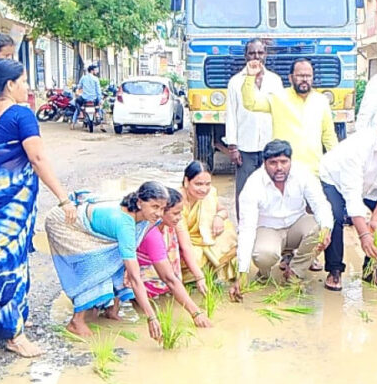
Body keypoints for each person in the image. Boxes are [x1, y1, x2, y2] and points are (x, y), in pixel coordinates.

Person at [0, 59, 74, 357]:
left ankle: (0, 325)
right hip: (7, 197)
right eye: (24, 81)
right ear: (9, 85)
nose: (27, 87)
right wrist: (63, 198)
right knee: (12, 262)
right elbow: (38, 159)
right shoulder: (20, 114)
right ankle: (13, 333)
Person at [45, 183, 168, 342]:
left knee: (116, 257)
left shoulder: (143, 217)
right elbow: (135, 278)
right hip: (65, 223)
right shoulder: (124, 224)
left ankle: (110, 310)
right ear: (139, 202)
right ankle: (76, 321)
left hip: (88, 223)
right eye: (155, 206)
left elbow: (133, 248)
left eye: (162, 208)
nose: (159, 213)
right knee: (98, 265)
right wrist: (151, 317)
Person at [319, 106, 377, 291]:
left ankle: (373, 270)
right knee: (335, 215)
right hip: (334, 179)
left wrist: (374, 220)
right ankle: (335, 270)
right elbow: (352, 195)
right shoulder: (359, 147)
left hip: (370, 186)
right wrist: (364, 234)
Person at [237, 140, 333, 282]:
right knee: (264, 255)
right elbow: (246, 228)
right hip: (268, 228)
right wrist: (242, 272)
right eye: (273, 163)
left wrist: (326, 229)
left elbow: (320, 204)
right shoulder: (253, 184)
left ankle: (295, 271)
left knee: (320, 227)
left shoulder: (303, 174)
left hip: (296, 224)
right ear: (264, 163)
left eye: (284, 162)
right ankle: (264, 273)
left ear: (290, 161)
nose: (279, 167)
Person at [241, 58, 337, 175]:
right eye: (300, 76)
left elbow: (329, 136)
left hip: (314, 171)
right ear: (291, 78)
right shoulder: (278, 97)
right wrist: (250, 77)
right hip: (285, 171)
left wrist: (338, 162)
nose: (305, 79)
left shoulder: (321, 101)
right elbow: (251, 104)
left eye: (308, 76)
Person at [137, 188, 214, 327]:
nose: (179, 217)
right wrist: (196, 313)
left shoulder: (169, 224)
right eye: (175, 213)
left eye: (180, 213)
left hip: (158, 278)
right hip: (141, 285)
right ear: (161, 212)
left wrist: (200, 277)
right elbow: (169, 279)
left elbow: (186, 246)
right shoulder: (152, 235)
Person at [224, 38, 281, 207]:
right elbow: (231, 115)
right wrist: (233, 147)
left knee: (270, 189)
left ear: (266, 55)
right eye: (252, 53)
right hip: (245, 147)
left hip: (269, 147)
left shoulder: (275, 80)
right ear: (245, 56)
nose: (256, 56)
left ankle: (266, 228)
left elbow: (279, 112)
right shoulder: (235, 82)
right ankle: (244, 229)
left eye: (260, 52)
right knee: (245, 192)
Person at [180, 160, 239, 293]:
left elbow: (223, 210)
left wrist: (218, 217)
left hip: (204, 238)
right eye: (198, 184)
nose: (204, 189)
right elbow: (184, 244)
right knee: (194, 256)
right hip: (185, 243)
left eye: (207, 184)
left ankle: (211, 274)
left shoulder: (210, 194)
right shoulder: (178, 202)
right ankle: (197, 277)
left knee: (228, 233)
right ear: (186, 181)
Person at [73, 64, 102, 129]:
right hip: (94, 98)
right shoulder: (96, 79)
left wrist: (78, 89)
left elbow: (79, 86)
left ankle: (80, 112)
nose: (97, 71)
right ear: (92, 71)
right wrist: (100, 99)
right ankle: (97, 113)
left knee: (76, 101)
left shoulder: (83, 78)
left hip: (84, 98)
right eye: (96, 70)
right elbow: (98, 90)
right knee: (99, 104)